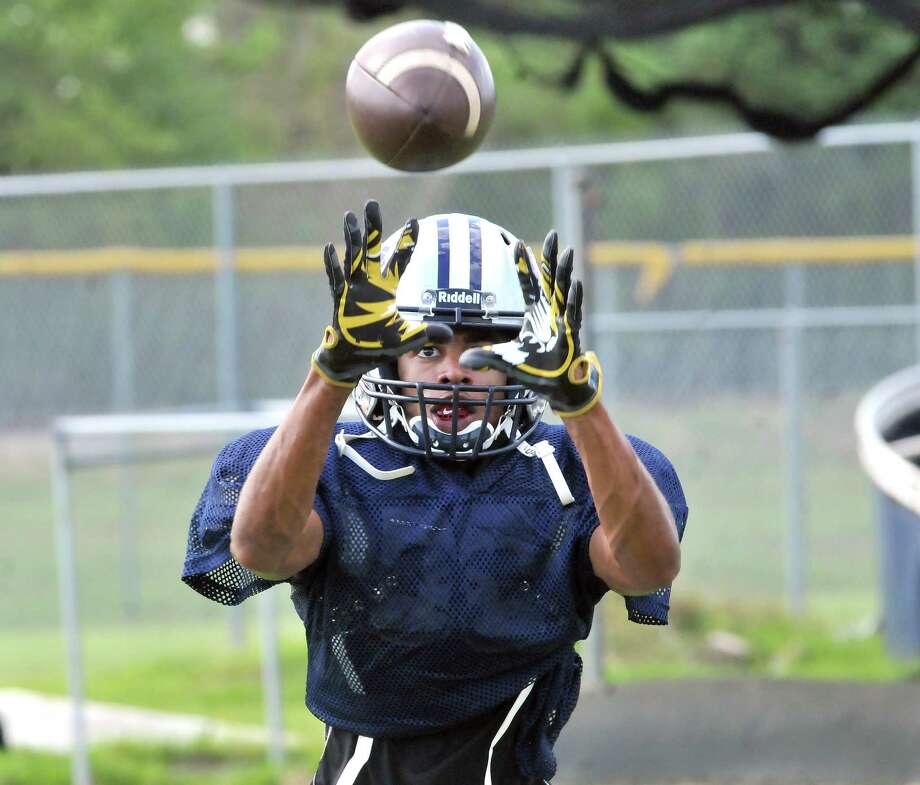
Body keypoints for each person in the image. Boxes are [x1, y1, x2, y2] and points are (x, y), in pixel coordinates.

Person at [182, 201, 688, 785]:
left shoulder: (565, 467)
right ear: (386, 354)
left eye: (480, 350)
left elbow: (647, 568)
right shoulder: (332, 463)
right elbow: (261, 549)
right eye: (428, 348)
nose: (453, 371)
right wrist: (330, 375)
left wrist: (581, 406)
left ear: (522, 356)